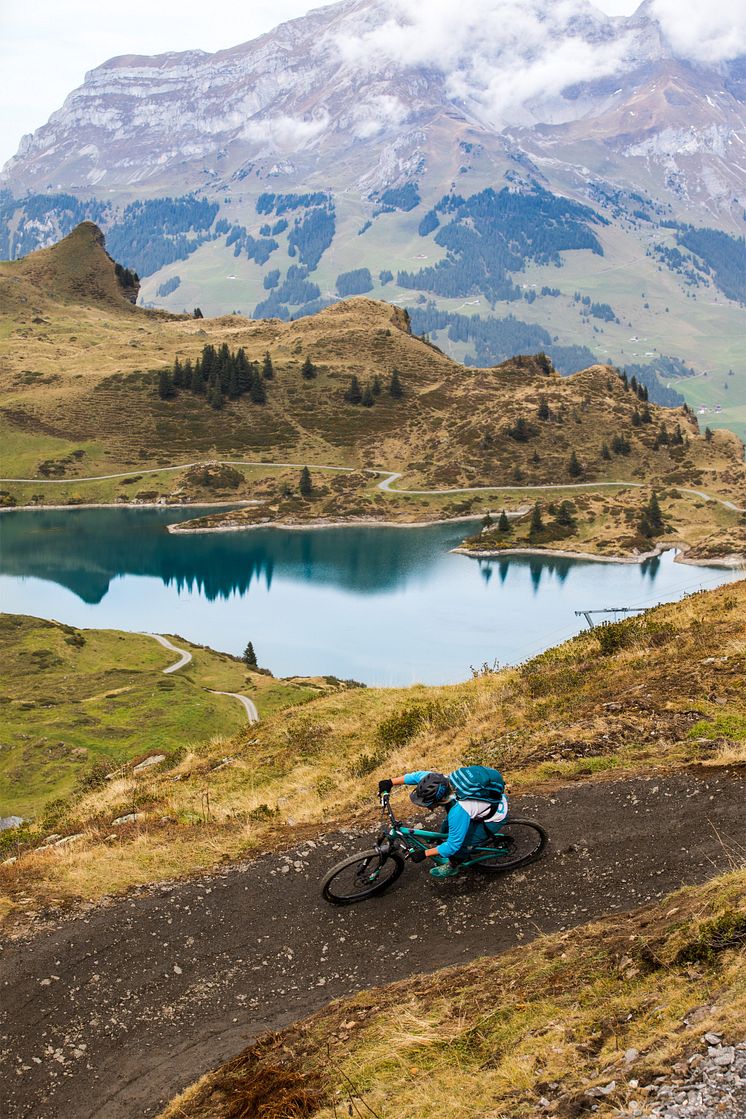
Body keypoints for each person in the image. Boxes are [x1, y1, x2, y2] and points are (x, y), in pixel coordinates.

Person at [378, 769, 508, 879]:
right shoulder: (441, 782)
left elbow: (453, 846)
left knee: (462, 845)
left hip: (493, 816)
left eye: (428, 804)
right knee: (446, 828)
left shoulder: (458, 811)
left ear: (439, 800)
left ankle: (453, 866)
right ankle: (444, 843)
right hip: (482, 803)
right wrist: (390, 782)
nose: (427, 807)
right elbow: (417, 776)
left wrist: (424, 853)